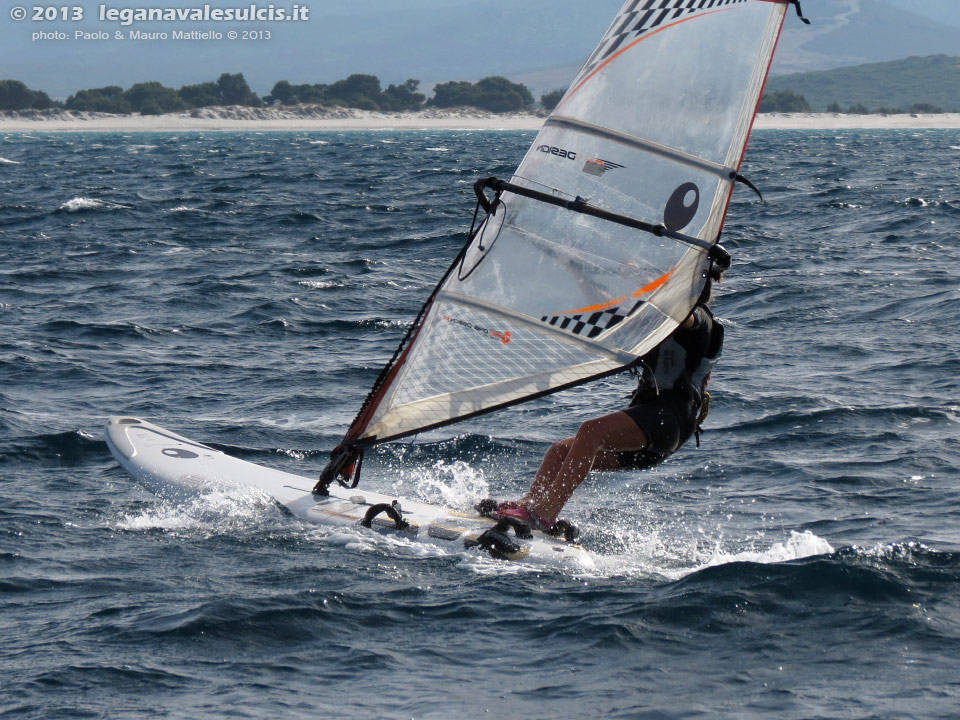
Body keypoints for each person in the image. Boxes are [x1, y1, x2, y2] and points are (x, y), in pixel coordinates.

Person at [491, 266, 725, 532]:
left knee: (591, 431)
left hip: (670, 419)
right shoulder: (654, 322)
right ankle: (530, 503)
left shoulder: (700, 319)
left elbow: (683, 316)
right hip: (649, 424)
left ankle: (544, 513)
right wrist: (581, 274)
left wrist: (651, 283)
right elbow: (610, 311)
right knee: (560, 451)